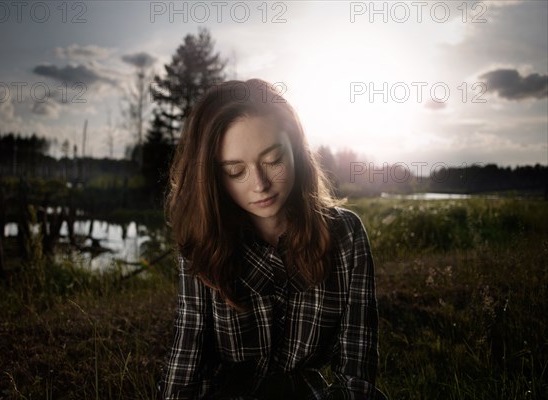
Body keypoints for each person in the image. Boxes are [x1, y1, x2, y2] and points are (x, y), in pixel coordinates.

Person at [160, 79, 386, 400]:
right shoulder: (203, 240)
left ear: (295, 149)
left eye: (273, 160)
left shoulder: (346, 234)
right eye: (236, 171)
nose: (261, 185)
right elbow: (187, 357)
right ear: (213, 177)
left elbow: (357, 371)